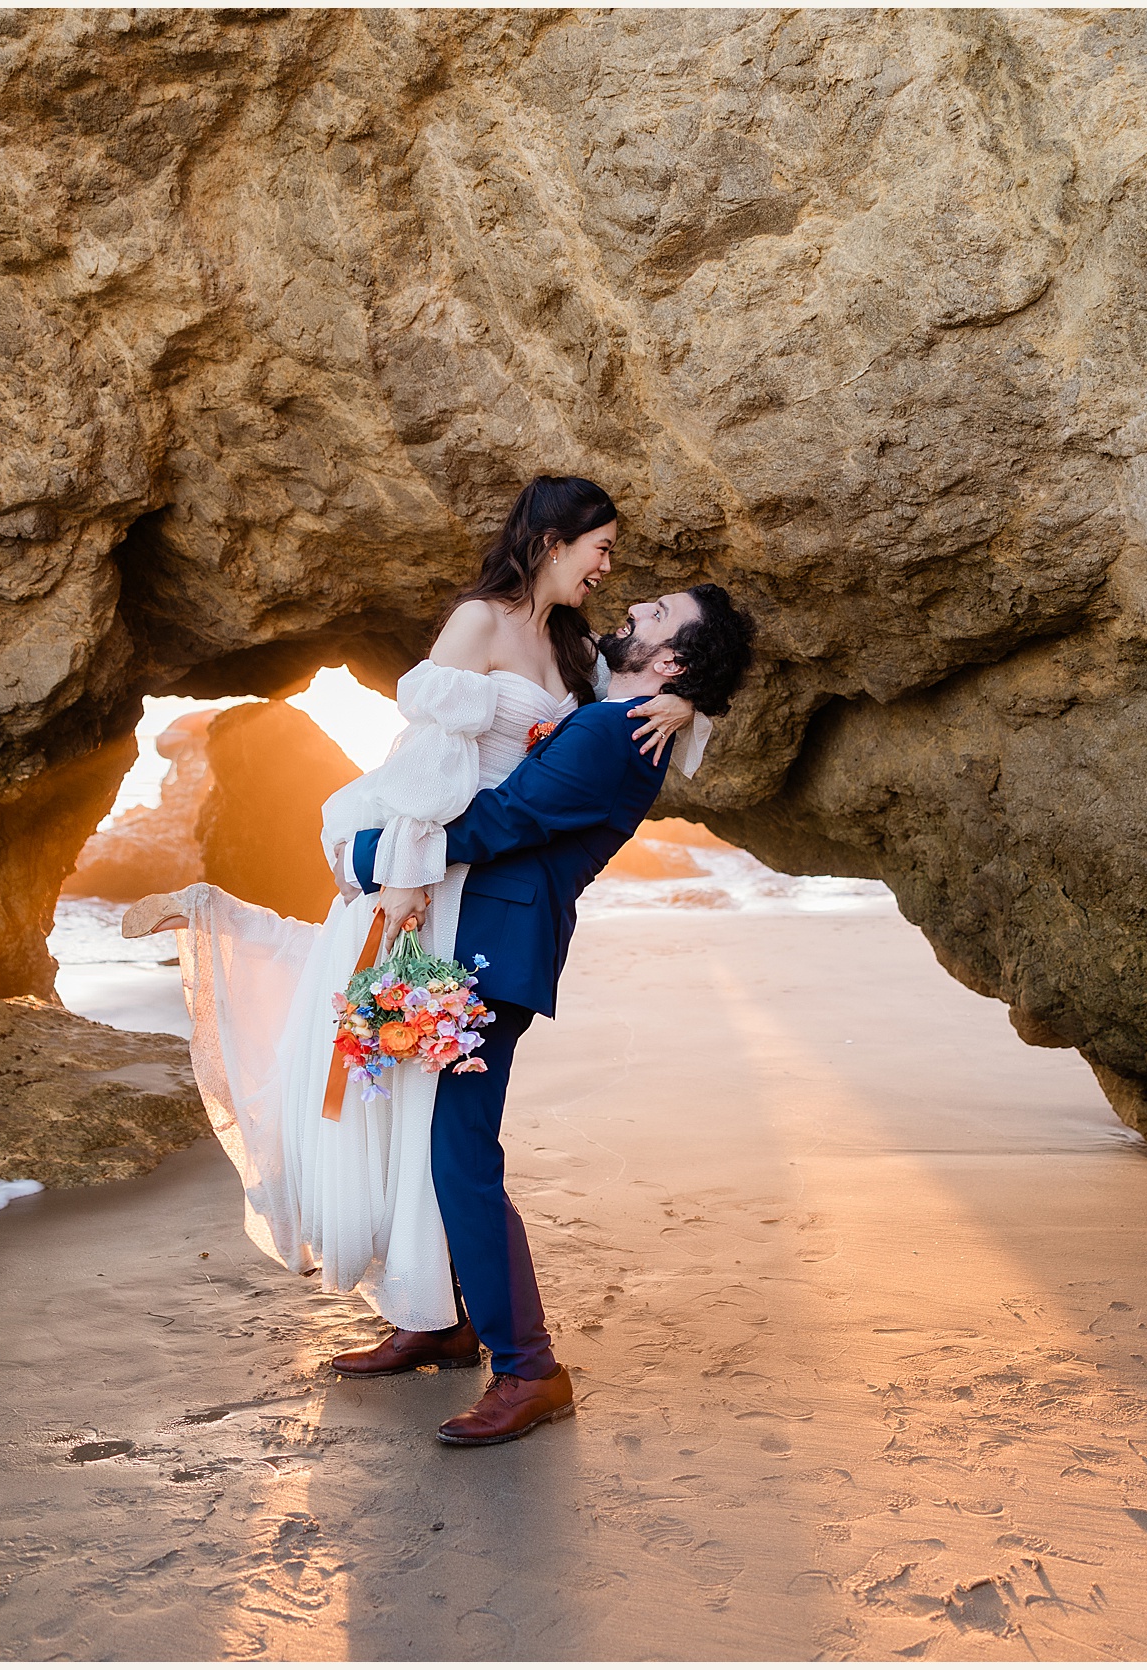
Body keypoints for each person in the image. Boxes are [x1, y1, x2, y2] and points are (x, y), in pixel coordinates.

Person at [119, 477, 707, 1351]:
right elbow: (430, 756)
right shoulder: (481, 621)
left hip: (464, 888)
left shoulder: (578, 650)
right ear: (554, 541)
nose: (610, 569)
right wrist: (390, 865)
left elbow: (613, 723)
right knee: (393, 1107)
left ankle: (459, 1326)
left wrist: (688, 700)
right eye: (603, 547)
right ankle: (435, 1316)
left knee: (429, 1131)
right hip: (421, 867)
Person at [339, 580, 757, 1444]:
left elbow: (504, 820)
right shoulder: (632, 712)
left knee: (461, 1157)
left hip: (497, 950)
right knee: (434, 1140)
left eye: (657, 616)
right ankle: (443, 1317)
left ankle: (529, 1369)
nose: (633, 607)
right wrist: (688, 702)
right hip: (484, 939)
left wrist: (364, 852)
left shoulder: (614, 730)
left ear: (673, 658)